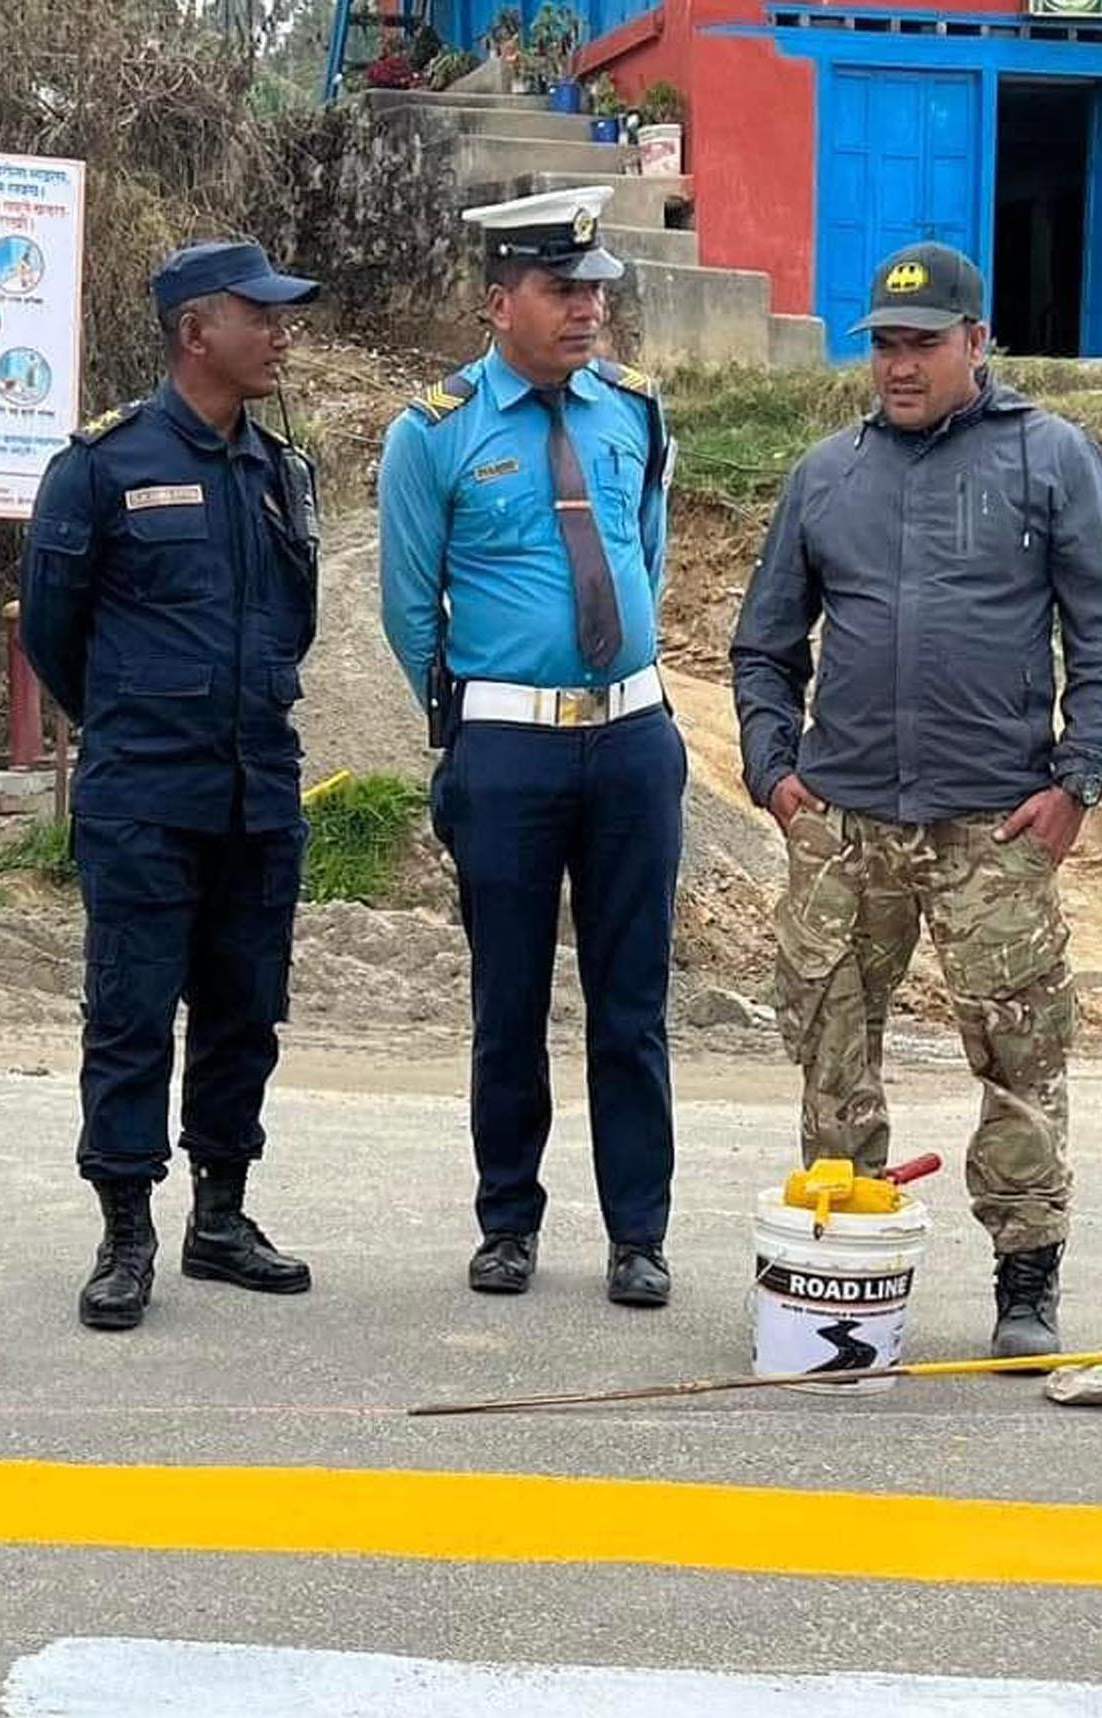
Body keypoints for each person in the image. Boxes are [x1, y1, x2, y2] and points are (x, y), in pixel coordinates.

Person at [728, 241, 1102, 1359]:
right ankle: (840, 1262)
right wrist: (777, 779)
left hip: (993, 826)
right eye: (883, 347)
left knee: (1017, 1057)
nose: (898, 367)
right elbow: (762, 648)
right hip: (844, 827)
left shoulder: (1048, 458)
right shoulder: (826, 475)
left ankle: (1024, 1279)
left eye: (921, 345)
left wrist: (1077, 780)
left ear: (975, 342)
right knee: (828, 1051)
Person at [380, 189, 681, 1308]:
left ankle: (636, 1234)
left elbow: (639, 554)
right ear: (498, 300)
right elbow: (410, 607)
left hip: (633, 743)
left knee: (632, 1003)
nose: (586, 311)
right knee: (507, 1000)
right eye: (561, 291)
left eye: (595, 290)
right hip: (508, 749)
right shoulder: (434, 430)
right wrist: (462, 732)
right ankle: (506, 1222)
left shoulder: (634, 414)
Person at [22, 237, 327, 1331]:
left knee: (246, 1011)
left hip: (257, 790)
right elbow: (55, 637)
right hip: (145, 796)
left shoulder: (279, 470)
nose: (281, 333)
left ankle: (220, 1214)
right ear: (197, 331)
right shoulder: (99, 467)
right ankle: (123, 1228)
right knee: (131, 1014)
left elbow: (295, 619)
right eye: (261, 315)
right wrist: (146, 719)